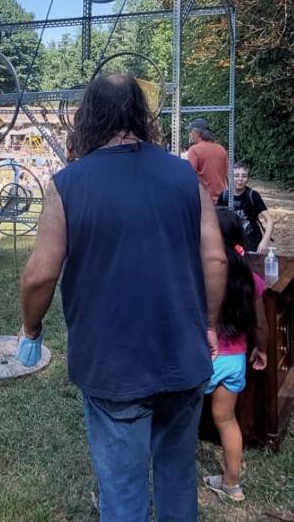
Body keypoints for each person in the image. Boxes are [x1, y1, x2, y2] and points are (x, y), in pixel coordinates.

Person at [15, 74, 227, 521]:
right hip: (182, 357)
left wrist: (31, 328)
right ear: (140, 114)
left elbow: (39, 277)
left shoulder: (67, 184)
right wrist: (209, 325)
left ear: (88, 117)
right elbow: (216, 260)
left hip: (112, 366)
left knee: (123, 491)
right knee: (177, 478)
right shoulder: (185, 177)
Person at [202, 209, 268, 502]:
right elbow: (261, 324)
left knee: (182, 421)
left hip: (204, 357)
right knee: (226, 420)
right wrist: (262, 349)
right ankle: (232, 485)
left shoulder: (199, 275)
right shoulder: (250, 278)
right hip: (235, 359)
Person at [217, 162, 274, 254]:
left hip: (251, 243)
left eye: (244, 176)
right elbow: (218, 220)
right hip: (230, 244)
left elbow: (269, 220)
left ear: (247, 178)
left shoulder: (252, 195)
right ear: (230, 178)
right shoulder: (224, 196)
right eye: (236, 175)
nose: (240, 179)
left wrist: (265, 241)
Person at [185, 118, 229, 202]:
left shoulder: (194, 150)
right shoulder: (221, 149)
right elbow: (228, 175)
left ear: (197, 133)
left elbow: (189, 177)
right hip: (221, 200)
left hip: (204, 201)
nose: (190, 134)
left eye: (191, 131)